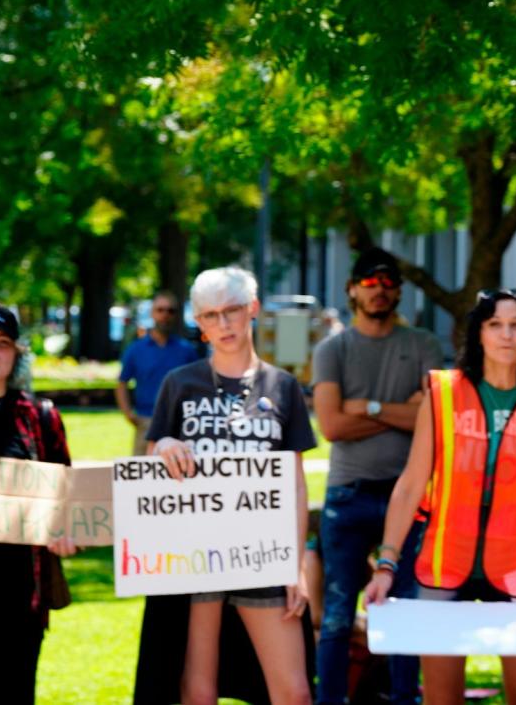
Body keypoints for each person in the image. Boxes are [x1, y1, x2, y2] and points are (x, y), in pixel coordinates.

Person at [363, 288, 516, 705]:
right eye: (495, 324)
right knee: (441, 697)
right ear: (478, 332)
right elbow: (410, 484)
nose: (506, 335)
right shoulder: (442, 393)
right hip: (443, 562)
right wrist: (387, 564)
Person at [145, 267, 315, 705]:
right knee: (198, 691)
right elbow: (149, 470)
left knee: (293, 691)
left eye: (233, 311)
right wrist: (163, 444)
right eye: (210, 315)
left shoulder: (283, 387)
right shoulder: (179, 385)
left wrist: (295, 564)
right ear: (198, 324)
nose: (224, 324)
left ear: (253, 310)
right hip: (195, 555)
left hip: (263, 553)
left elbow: (294, 484)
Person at [311, 247, 443, 705]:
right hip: (347, 495)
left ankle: (405, 698)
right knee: (336, 616)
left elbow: (433, 415)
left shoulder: (423, 343)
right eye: (369, 282)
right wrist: (401, 411)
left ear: (399, 291)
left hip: (408, 495)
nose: (379, 290)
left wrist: (363, 406)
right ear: (352, 290)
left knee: (405, 610)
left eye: (388, 282)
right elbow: (331, 426)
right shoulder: (333, 348)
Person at [0, 303, 77, 705]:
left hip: (18, 588)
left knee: (13, 695)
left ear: (17, 352)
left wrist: (69, 530)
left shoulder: (39, 417)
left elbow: (69, 497)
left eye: (1, 343)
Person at [116, 290, 200, 455]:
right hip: (146, 421)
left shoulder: (187, 350)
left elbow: (199, 385)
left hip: (180, 423)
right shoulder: (136, 349)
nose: (165, 315)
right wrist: (128, 413)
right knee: (141, 475)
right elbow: (122, 382)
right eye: (160, 310)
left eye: (170, 311)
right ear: (152, 313)